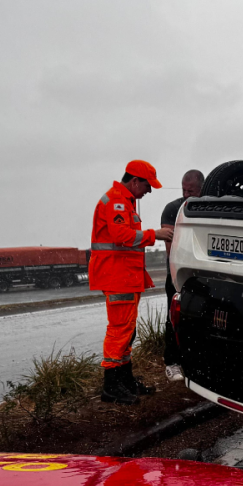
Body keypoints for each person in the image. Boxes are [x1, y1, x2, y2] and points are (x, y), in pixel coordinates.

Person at [89, 161, 175, 404]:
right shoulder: (117, 201)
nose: (149, 191)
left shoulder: (125, 201)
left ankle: (124, 381)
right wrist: (154, 234)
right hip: (117, 276)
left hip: (125, 276)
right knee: (119, 330)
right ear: (135, 181)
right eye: (148, 185)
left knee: (127, 330)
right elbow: (121, 236)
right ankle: (112, 386)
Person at [161, 169, 204, 381]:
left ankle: (194, 359)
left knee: (200, 318)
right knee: (174, 318)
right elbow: (171, 250)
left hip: (203, 275)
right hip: (178, 273)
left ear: (202, 189)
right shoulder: (172, 209)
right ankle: (172, 362)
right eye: (184, 190)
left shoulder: (209, 208)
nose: (186, 195)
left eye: (191, 191)